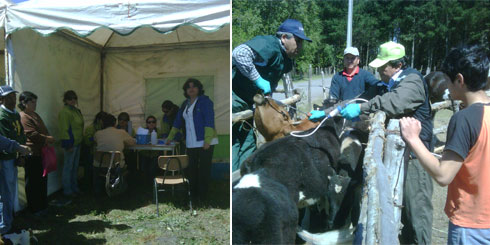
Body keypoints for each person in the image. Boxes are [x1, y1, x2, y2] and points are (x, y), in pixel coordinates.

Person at [400, 45, 490, 244]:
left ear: (460, 79)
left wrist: (413, 139)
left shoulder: (465, 119)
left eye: (448, 81)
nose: (447, 87)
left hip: (471, 225)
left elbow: (443, 175)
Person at [232, 19, 312, 171]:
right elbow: (239, 53)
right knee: (234, 142)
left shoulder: (286, 60)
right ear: (284, 38)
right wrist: (257, 79)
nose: (300, 46)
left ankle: (243, 176)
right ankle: (232, 184)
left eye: (302, 42)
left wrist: (267, 94)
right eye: (298, 41)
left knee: (248, 142)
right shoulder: (268, 44)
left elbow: (272, 78)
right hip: (236, 96)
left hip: (251, 101)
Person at [167, 78, 218, 203]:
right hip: (191, 143)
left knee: (204, 170)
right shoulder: (185, 104)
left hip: (205, 142)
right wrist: (169, 138)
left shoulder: (205, 101)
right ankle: (193, 194)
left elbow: (209, 120)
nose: (191, 89)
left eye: (194, 86)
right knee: (192, 169)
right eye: (188, 87)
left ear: (199, 89)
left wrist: (207, 140)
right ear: (185, 90)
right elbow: (178, 121)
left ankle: (203, 196)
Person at [18, 91, 54, 216]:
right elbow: (31, 134)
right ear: (24, 102)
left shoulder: (34, 115)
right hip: (31, 154)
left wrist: (47, 137)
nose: (35, 104)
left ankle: (42, 206)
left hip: (41, 153)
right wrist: (47, 139)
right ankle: (34, 209)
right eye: (32, 102)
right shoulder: (23, 116)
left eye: (35, 102)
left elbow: (43, 129)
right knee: (33, 182)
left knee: (41, 180)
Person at [0, 85, 27, 235]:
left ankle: (8, 223)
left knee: (10, 192)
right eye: (9, 97)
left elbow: (21, 134)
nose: (13, 99)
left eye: (14, 96)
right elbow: (5, 140)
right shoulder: (2, 116)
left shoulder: (15, 114)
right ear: (1, 99)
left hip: (14, 156)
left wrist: (21, 155)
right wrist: (18, 149)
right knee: (5, 194)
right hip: (5, 159)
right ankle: (4, 227)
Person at [93, 113, 136, 194]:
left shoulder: (97, 133)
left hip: (100, 164)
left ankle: (97, 189)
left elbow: (97, 142)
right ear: (115, 123)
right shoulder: (121, 132)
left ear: (102, 123)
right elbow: (132, 142)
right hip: (116, 164)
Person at [58, 90, 84, 199]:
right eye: (70, 98)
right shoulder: (65, 112)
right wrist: (68, 144)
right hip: (71, 144)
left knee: (74, 167)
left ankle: (74, 187)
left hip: (77, 142)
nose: (72, 100)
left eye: (74, 98)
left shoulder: (76, 111)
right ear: (65, 100)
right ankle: (67, 190)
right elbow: (64, 129)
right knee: (68, 167)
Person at [81, 111, 107, 192]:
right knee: (89, 171)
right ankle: (88, 187)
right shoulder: (91, 128)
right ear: (99, 120)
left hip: (101, 153)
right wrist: (94, 139)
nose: (104, 122)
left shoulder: (105, 128)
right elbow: (87, 141)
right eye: (103, 120)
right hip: (91, 153)